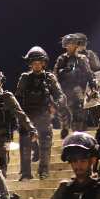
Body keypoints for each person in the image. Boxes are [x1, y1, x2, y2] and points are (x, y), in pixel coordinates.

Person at [15, 47, 68, 180]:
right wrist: (19, 116)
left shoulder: (49, 78)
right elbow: (18, 97)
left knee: (46, 142)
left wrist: (58, 104)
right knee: (25, 143)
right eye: (34, 62)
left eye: (39, 62)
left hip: (43, 114)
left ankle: (44, 171)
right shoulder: (25, 78)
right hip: (27, 115)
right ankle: (26, 173)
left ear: (43, 63)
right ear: (30, 64)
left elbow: (60, 95)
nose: (37, 65)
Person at [54, 33, 95, 133]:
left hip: (78, 89)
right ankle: (65, 129)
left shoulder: (82, 59)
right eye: (68, 44)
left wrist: (93, 86)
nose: (70, 46)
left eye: (72, 44)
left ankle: (77, 133)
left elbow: (89, 74)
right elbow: (55, 75)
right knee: (63, 112)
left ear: (77, 45)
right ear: (65, 45)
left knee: (79, 114)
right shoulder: (61, 59)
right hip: (64, 90)